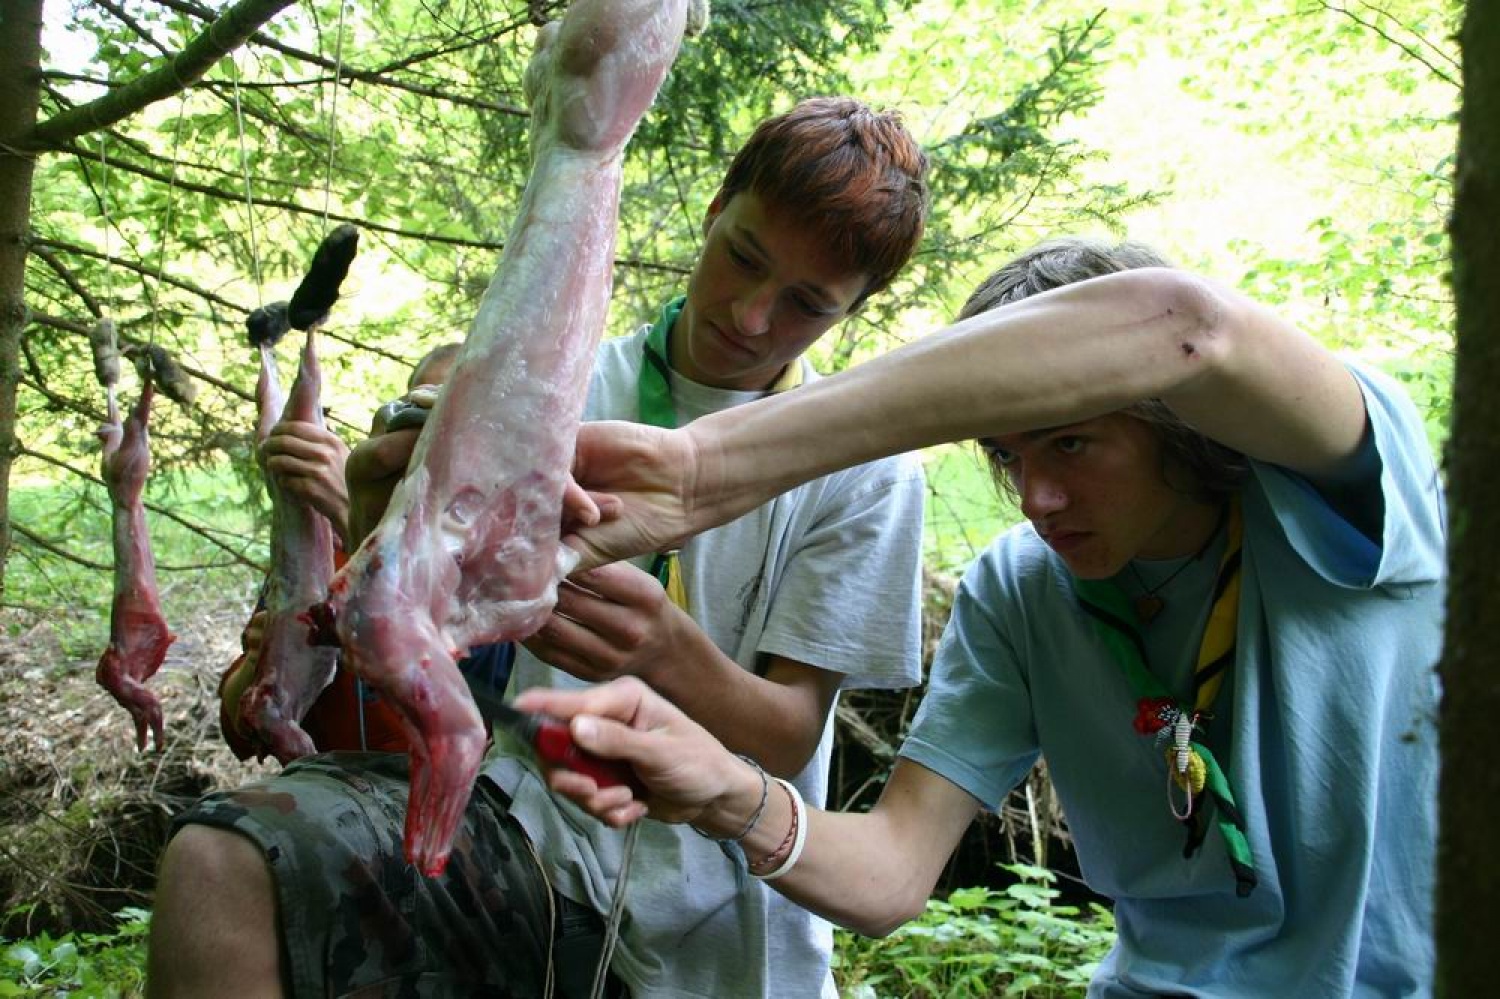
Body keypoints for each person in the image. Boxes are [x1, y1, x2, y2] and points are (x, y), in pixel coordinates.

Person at [148, 96, 931, 999]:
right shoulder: (553, 382)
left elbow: (790, 736)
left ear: (854, 310)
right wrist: (372, 507)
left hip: (716, 918)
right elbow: (417, 633)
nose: (752, 317)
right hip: (520, 841)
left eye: (804, 303)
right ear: (715, 213)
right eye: (743, 257)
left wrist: (664, 650)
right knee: (219, 860)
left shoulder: (861, 470)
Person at [522, 237, 1445, 997]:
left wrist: (707, 468)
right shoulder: (1022, 588)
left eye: (1072, 442)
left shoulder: (1336, 496)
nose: (1037, 498)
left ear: (1170, 421)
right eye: (1005, 454)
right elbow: (890, 871)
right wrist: (726, 789)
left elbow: (1189, 325)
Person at [216, 343, 512, 757]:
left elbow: (465, 714)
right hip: (322, 800)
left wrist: (353, 519)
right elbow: (239, 735)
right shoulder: (324, 556)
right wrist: (261, 661)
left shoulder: (514, 572)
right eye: (415, 413)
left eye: (453, 418)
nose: (429, 437)